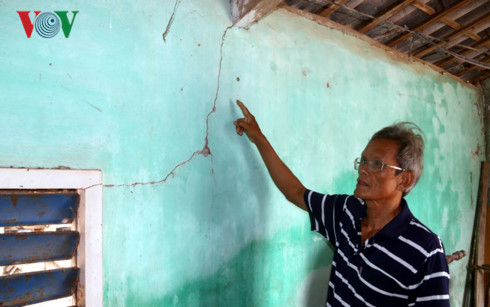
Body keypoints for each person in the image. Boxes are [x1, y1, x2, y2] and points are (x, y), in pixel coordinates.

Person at [233, 100, 450, 306]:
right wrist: (259, 138)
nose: (363, 169)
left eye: (376, 164)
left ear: (404, 179)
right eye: (363, 161)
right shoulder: (347, 212)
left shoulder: (426, 249)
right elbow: (295, 192)